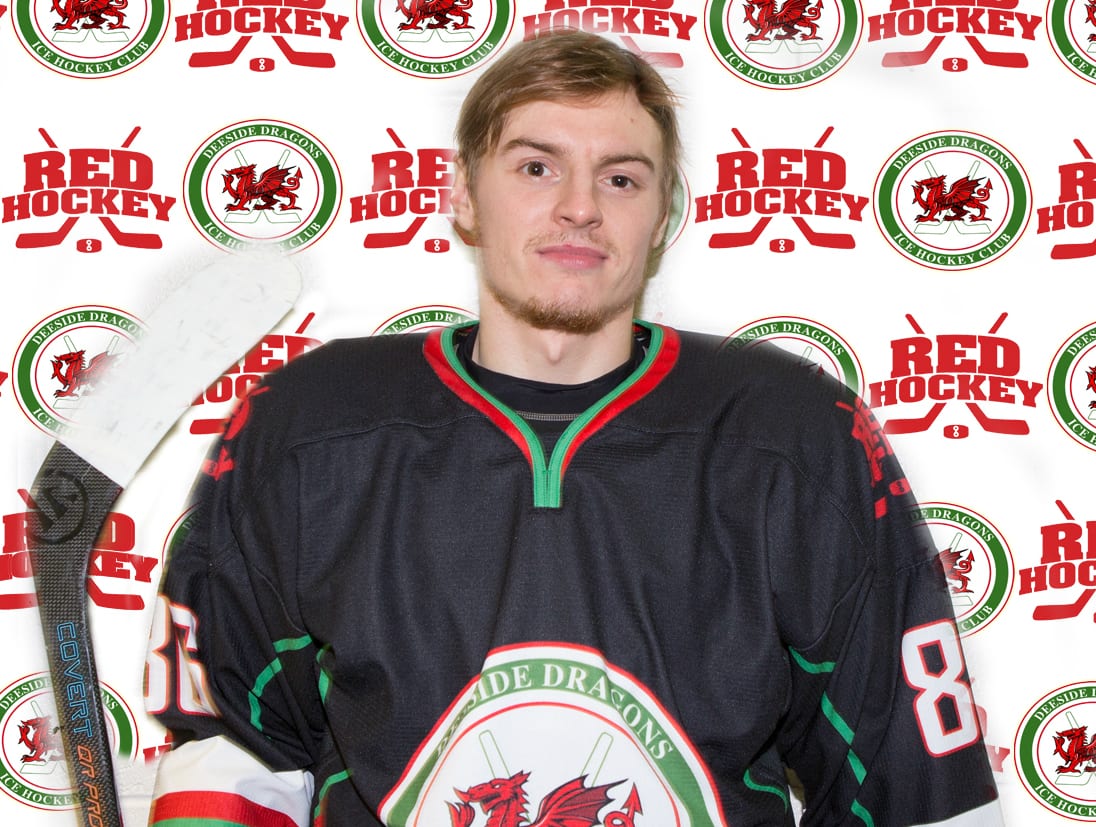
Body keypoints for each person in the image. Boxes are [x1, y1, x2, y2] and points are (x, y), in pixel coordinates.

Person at [146, 30, 1002, 827]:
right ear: (463, 194)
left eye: (621, 179)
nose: (580, 207)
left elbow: (908, 776)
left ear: (662, 215)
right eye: (536, 167)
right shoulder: (311, 425)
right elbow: (237, 744)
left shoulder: (792, 433)